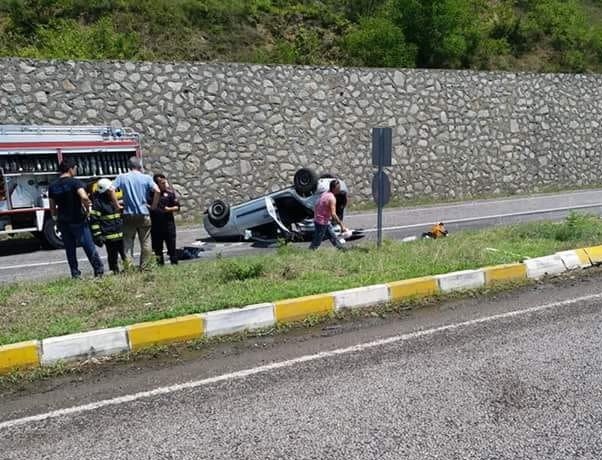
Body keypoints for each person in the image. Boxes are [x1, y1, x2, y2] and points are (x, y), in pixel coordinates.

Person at [48, 158, 104, 279]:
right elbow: (83, 197)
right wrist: (88, 207)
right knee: (88, 245)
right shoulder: (75, 182)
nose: (76, 171)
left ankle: (75, 273)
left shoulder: (52, 186)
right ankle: (98, 270)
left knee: (70, 249)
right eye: (75, 168)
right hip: (78, 219)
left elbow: (52, 207)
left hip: (63, 221)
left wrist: (55, 217)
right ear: (70, 169)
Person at [113, 157, 160, 268]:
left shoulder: (122, 177)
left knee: (128, 242)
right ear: (139, 166)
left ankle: (129, 267)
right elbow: (157, 190)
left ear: (128, 166)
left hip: (128, 214)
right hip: (144, 213)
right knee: (146, 241)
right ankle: (146, 266)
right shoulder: (146, 178)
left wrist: (116, 205)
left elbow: (110, 189)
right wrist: (153, 206)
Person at [89, 178, 126, 274]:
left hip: (120, 234)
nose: (112, 191)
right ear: (104, 191)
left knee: (125, 255)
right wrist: (98, 236)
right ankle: (115, 272)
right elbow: (94, 221)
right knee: (112, 257)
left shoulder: (113, 200)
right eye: (110, 190)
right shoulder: (98, 203)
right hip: (109, 237)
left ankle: (128, 271)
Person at [309, 179, 349, 251]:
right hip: (321, 222)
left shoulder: (325, 194)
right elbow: (333, 214)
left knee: (333, 237)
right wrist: (341, 225)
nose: (339, 189)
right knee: (317, 241)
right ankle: (309, 252)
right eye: (338, 188)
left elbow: (317, 205)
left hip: (322, 220)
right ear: (334, 188)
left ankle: (342, 250)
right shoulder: (332, 198)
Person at [150, 174, 180, 265]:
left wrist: (169, 209)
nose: (164, 184)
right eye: (162, 183)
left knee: (172, 248)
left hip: (169, 225)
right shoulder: (151, 195)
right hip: (156, 227)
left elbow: (177, 207)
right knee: (158, 250)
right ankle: (160, 267)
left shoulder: (169, 194)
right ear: (156, 184)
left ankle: (174, 264)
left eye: (165, 182)